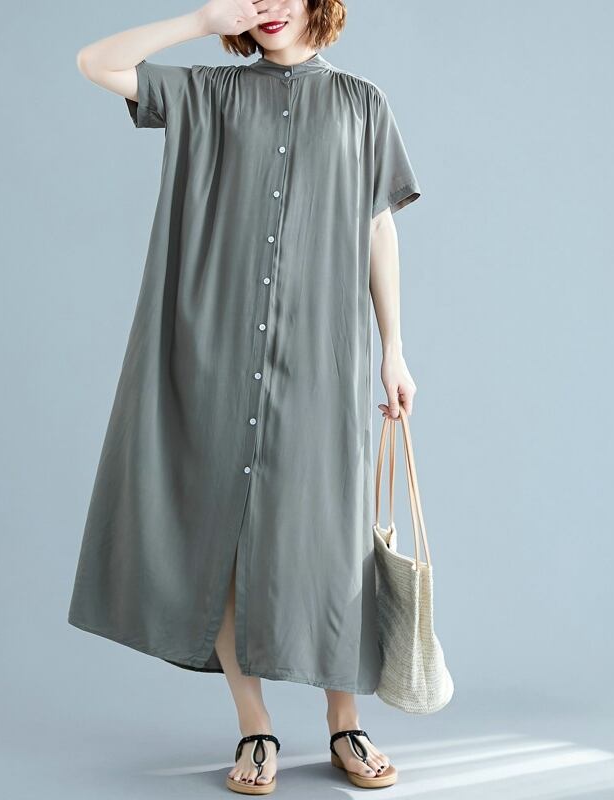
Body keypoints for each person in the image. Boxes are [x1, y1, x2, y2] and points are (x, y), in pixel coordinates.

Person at [70, 0, 421, 792]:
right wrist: (201, 21)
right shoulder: (210, 92)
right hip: (213, 352)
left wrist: (394, 349)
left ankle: (345, 723)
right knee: (222, 537)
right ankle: (254, 726)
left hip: (323, 355)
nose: (268, 7)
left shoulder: (362, 103)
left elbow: (378, 227)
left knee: (331, 540)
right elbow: (97, 62)